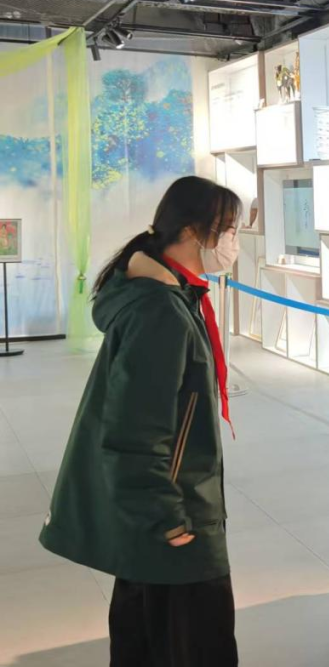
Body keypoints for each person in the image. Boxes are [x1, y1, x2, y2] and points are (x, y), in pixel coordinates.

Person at [40, 176, 243, 667]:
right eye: (229, 229)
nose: (233, 242)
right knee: (195, 644)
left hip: (157, 513)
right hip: (174, 512)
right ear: (193, 231)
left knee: (145, 638)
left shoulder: (168, 296)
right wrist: (166, 517)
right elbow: (134, 430)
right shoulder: (161, 312)